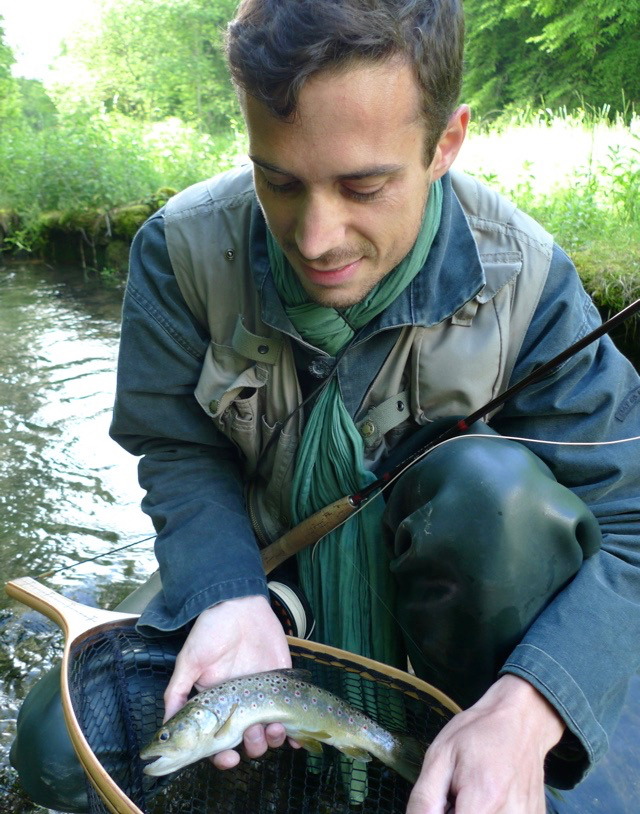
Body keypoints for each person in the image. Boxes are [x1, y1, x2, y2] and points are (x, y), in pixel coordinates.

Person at [10, 1, 640, 813]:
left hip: (453, 602)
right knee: (55, 752)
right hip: (263, 566)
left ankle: (474, 728)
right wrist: (224, 594)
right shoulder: (180, 252)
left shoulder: (531, 283)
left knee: (496, 494)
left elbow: (630, 522)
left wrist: (532, 703)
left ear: (446, 142)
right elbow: (176, 447)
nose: (315, 238)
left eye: (363, 185)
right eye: (278, 180)